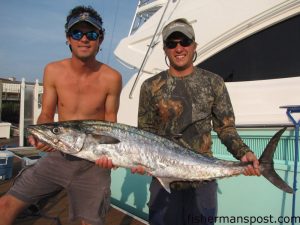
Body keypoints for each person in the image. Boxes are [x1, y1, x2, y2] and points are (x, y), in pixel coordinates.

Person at [0, 5, 122, 225]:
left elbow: (110, 125)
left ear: (100, 40)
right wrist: (40, 136)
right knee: (5, 205)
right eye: (77, 33)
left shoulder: (111, 77)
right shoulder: (53, 71)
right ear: (68, 38)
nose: (84, 39)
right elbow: (46, 113)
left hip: (93, 164)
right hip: (59, 156)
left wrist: (111, 157)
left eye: (91, 34)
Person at [137, 18, 260, 225]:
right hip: (163, 179)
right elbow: (145, 133)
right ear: (165, 49)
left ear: (194, 45)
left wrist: (243, 152)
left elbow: (225, 128)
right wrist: (140, 161)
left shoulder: (214, 83)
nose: (179, 48)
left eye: (184, 41)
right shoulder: (150, 86)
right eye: (171, 43)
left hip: (202, 181)